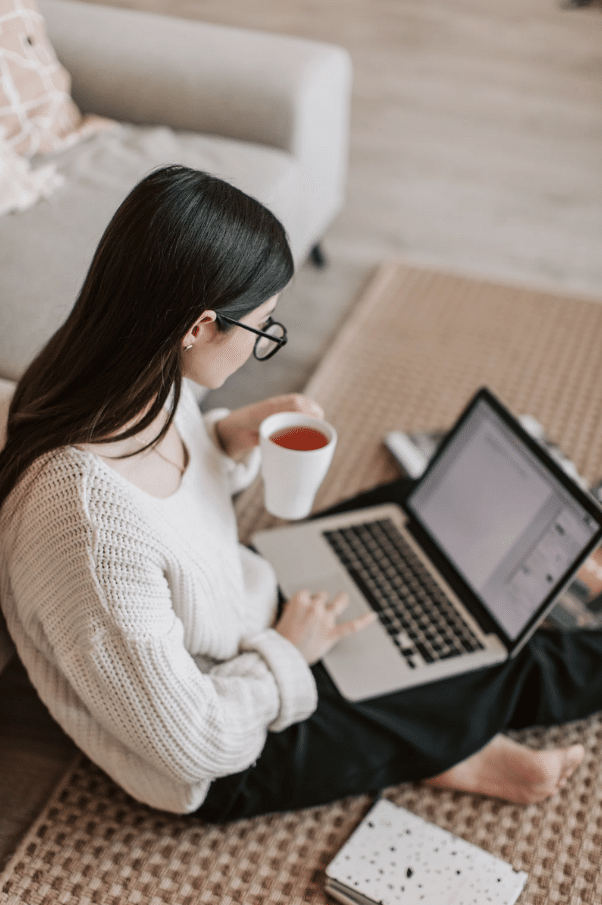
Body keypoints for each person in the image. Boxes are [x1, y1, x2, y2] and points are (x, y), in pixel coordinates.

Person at [0, 165, 598, 823]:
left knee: (408, 515)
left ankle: (430, 740)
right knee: (495, 652)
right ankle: (442, 742)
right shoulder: (87, 530)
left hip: (242, 602)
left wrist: (228, 438)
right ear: (198, 327)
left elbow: (167, 501)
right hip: (227, 745)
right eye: (262, 329)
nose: (261, 347)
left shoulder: (121, 377)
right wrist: (289, 649)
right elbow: (195, 741)